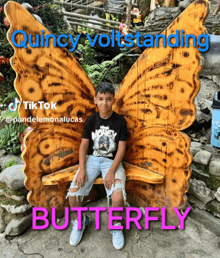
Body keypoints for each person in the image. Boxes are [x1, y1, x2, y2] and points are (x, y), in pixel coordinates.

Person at [66, 82, 128, 250]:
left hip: (112, 162)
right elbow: (84, 146)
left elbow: (121, 149)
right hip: (91, 160)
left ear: (113, 100)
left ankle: (115, 226)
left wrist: (112, 171)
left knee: (117, 197)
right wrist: (81, 169)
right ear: (95, 100)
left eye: (108, 99)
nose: (104, 103)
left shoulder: (120, 121)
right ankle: (80, 222)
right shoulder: (91, 120)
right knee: (73, 193)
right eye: (101, 99)